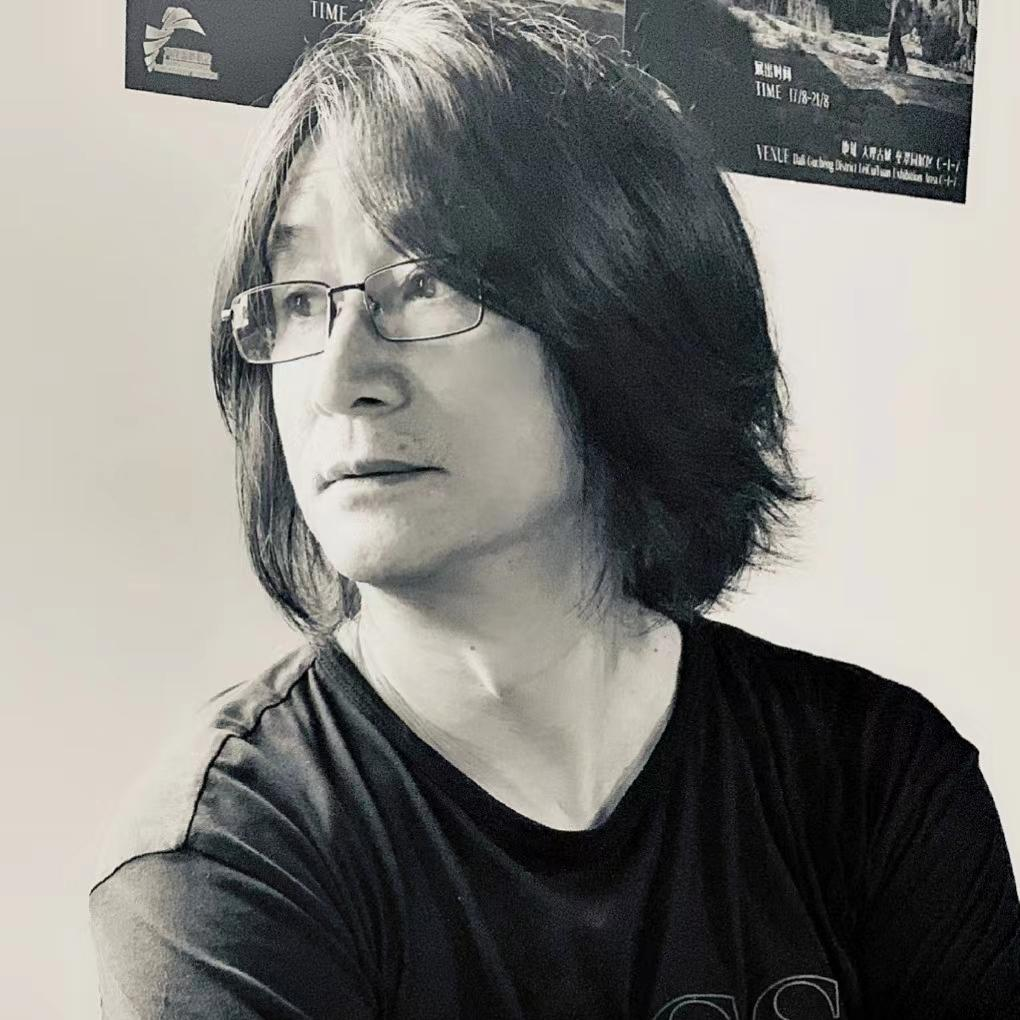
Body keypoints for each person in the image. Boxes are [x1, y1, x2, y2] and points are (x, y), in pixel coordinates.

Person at [88, 0, 1020, 1016]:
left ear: (626, 312)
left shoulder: (876, 779)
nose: (339, 379)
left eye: (427, 281)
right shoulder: (228, 859)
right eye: (301, 298)